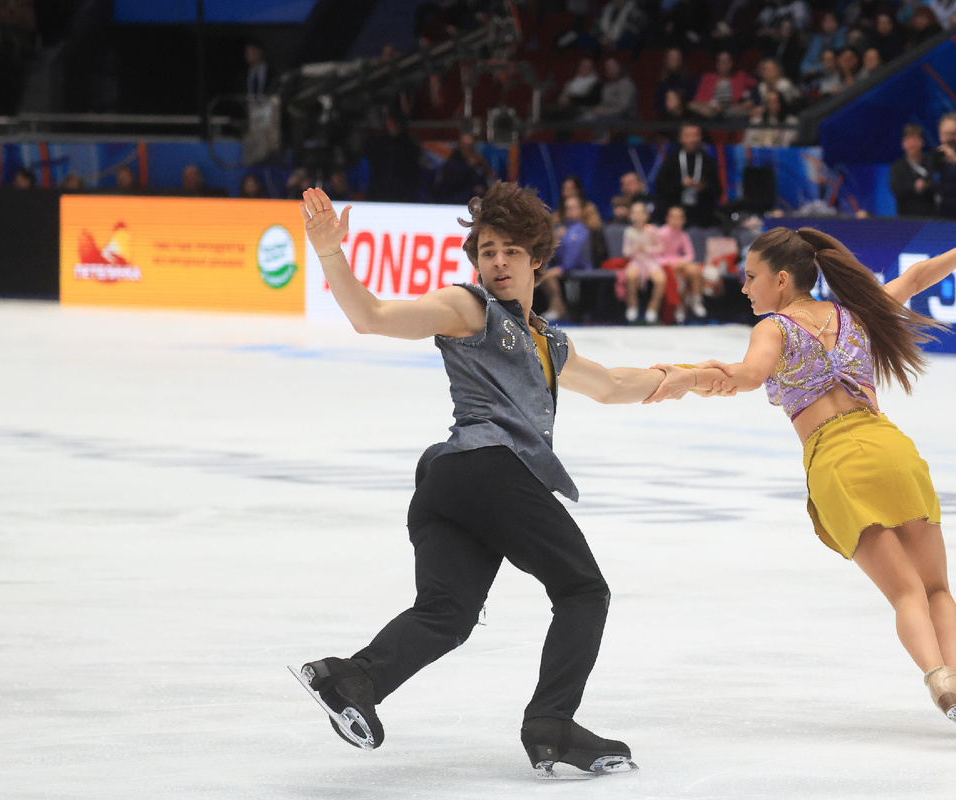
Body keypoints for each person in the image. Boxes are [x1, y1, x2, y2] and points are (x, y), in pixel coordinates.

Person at [292, 182, 707, 776]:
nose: (498, 262)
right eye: (488, 251)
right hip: (486, 467)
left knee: (448, 614)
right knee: (584, 591)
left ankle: (352, 678)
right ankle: (551, 723)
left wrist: (685, 375)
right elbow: (372, 317)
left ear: (537, 258)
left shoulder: (547, 340)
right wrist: (331, 252)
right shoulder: (468, 308)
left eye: (511, 251)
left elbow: (614, 385)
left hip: (451, 483)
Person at [646, 218, 956, 742]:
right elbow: (913, 280)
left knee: (906, 591)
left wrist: (688, 376)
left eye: (750, 276)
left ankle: (938, 680)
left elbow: (748, 377)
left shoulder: (772, 328)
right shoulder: (853, 314)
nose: (744, 286)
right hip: (892, 450)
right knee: (935, 587)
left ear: (780, 280)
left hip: (837, 462)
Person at [653, 123, 721, 228]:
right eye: (688, 135)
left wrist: (704, 187)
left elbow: (718, 191)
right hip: (675, 214)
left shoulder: (709, 163)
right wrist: (680, 185)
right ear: (681, 138)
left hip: (702, 216)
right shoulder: (671, 162)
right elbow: (660, 188)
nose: (692, 139)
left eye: (696, 135)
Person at [659, 205, 705, 322]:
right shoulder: (661, 233)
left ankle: (696, 300)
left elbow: (690, 255)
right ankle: (679, 306)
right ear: (667, 219)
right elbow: (656, 255)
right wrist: (671, 263)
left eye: (679, 218)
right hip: (663, 264)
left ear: (684, 220)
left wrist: (681, 262)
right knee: (677, 275)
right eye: (673, 217)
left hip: (678, 262)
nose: (676, 220)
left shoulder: (683, 235)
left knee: (695, 270)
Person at [622, 200, 664, 324]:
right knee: (631, 275)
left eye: (641, 212)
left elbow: (660, 247)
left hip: (650, 262)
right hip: (636, 262)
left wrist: (646, 249)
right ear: (631, 216)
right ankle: (632, 305)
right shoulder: (629, 231)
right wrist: (635, 248)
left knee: (661, 279)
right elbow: (625, 251)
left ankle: (653, 308)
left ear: (646, 215)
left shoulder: (652, 230)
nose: (638, 215)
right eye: (635, 212)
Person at [688, 50, 758, 120]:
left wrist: (748, 101)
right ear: (717, 64)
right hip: (710, 107)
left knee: (745, 110)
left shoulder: (740, 76)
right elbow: (699, 98)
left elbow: (755, 84)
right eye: (720, 61)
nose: (723, 64)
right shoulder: (707, 78)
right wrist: (712, 104)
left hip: (732, 107)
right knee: (692, 105)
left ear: (731, 64)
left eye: (726, 62)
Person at [889, 124, 936, 217]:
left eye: (915, 139)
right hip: (906, 217)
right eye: (908, 140)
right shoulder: (897, 166)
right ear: (903, 143)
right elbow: (896, 189)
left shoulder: (931, 162)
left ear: (922, 142)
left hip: (930, 217)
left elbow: (939, 183)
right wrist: (914, 187)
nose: (912, 143)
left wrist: (927, 185)